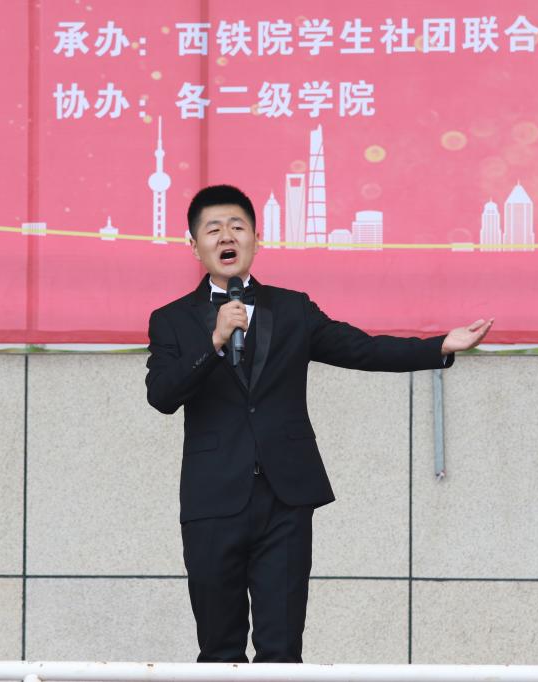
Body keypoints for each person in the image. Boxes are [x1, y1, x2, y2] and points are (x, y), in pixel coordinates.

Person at [145, 184, 492, 663]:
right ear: (194, 245)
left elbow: (361, 349)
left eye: (238, 226)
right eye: (214, 229)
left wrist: (439, 346)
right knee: (219, 650)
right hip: (213, 500)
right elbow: (162, 396)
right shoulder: (171, 320)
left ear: (256, 239)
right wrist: (216, 341)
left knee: (282, 650)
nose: (227, 236)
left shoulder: (292, 309)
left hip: (286, 498)